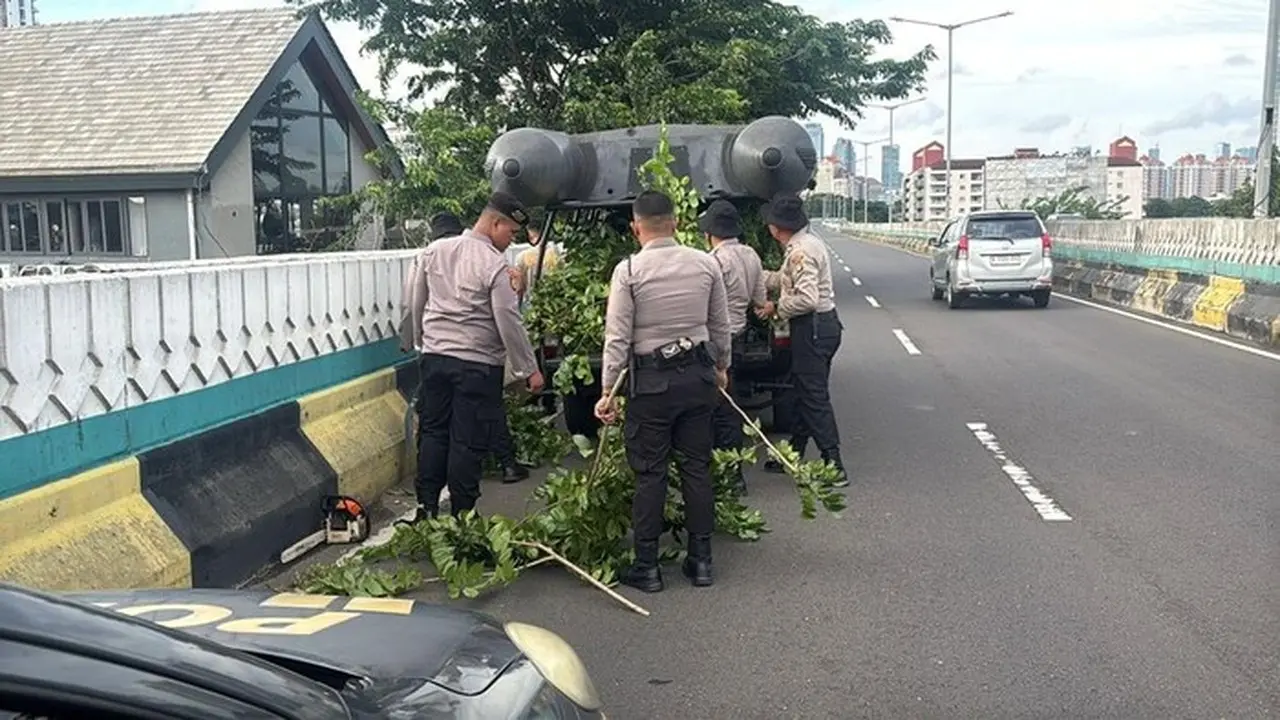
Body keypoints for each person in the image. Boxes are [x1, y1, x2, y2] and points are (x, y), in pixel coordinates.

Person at [595, 190, 732, 593]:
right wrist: (722, 368)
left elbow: (617, 336)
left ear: (636, 227)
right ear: (675, 223)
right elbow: (720, 325)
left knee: (650, 474)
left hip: (651, 387)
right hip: (698, 381)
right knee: (696, 467)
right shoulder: (706, 264)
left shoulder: (630, 271)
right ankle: (701, 561)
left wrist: (608, 390)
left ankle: (647, 567)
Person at [403, 192, 545, 522]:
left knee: (434, 432)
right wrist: (529, 369)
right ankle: (463, 515)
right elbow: (507, 319)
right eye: (510, 233)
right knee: (467, 439)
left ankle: (425, 508)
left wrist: (423, 343)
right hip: (477, 365)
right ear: (495, 223)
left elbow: (415, 303)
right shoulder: (495, 266)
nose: (511, 241)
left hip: (436, 359)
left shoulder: (434, 251)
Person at [756, 193, 849, 488]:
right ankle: (793, 454)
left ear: (776, 227)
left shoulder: (800, 252)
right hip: (820, 327)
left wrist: (776, 308)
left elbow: (807, 299)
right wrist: (751, 273)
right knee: (801, 391)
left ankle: (833, 463)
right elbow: (783, 280)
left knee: (813, 395)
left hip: (813, 328)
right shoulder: (804, 244)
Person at [700, 199, 767, 496]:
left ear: (710, 233)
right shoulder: (751, 255)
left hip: (715, 342)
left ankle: (728, 474)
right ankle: (726, 471)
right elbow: (759, 299)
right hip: (738, 336)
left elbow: (704, 305)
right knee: (728, 404)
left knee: (719, 409)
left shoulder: (713, 261)